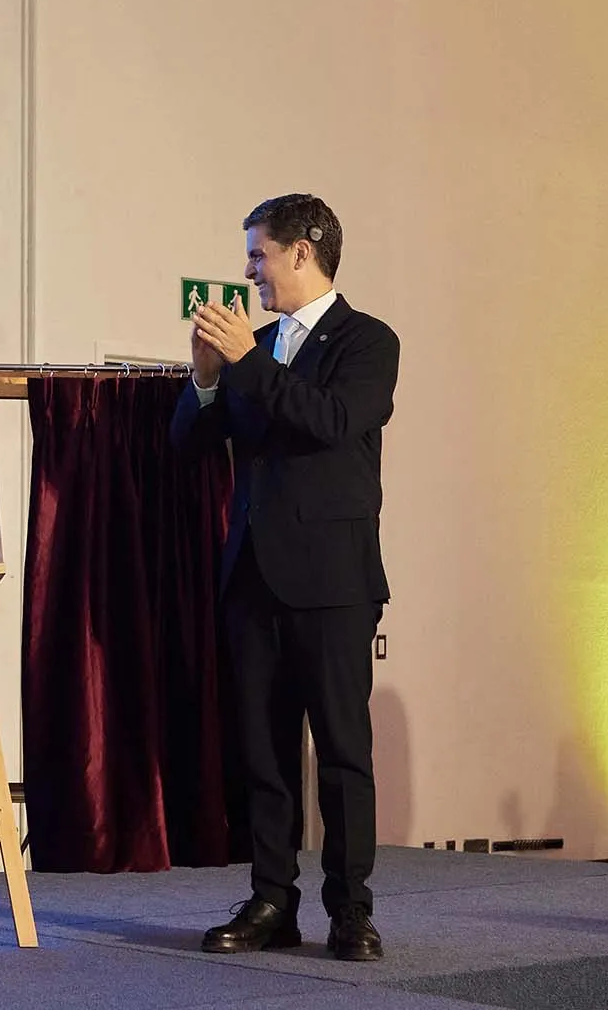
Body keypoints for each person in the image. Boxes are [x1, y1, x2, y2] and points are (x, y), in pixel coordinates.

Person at [171, 193, 398, 962]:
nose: (248, 270)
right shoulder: (253, 349)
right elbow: (192, 447)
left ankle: (350, 910)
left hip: (333, 584)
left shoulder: (368, 342)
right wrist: (205, 382)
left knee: (341, 755)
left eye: (258, 253)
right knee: (262, 756)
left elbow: (331, 421)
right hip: (253, 581)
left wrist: (247, 364)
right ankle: (272, 899)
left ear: (303, 251)